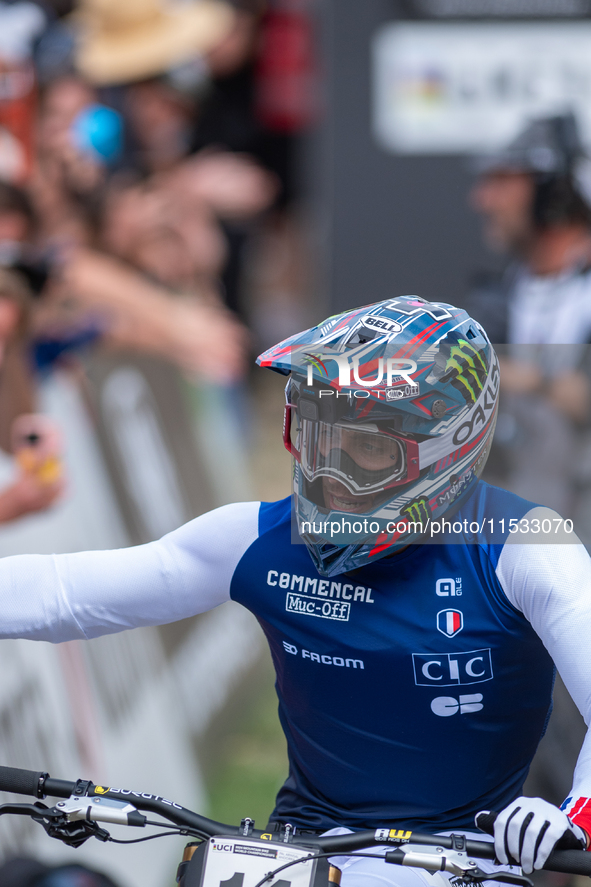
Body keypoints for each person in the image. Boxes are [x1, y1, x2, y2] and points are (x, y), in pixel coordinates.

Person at [0, 296, 590, 885]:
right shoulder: (256, 538)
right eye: (318, 436)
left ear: (449, 445)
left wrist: (575, 815)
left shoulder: (527, 545)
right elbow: (62, 595)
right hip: (299, 850)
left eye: (368, 449)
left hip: (464, 859)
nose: (330, 477)